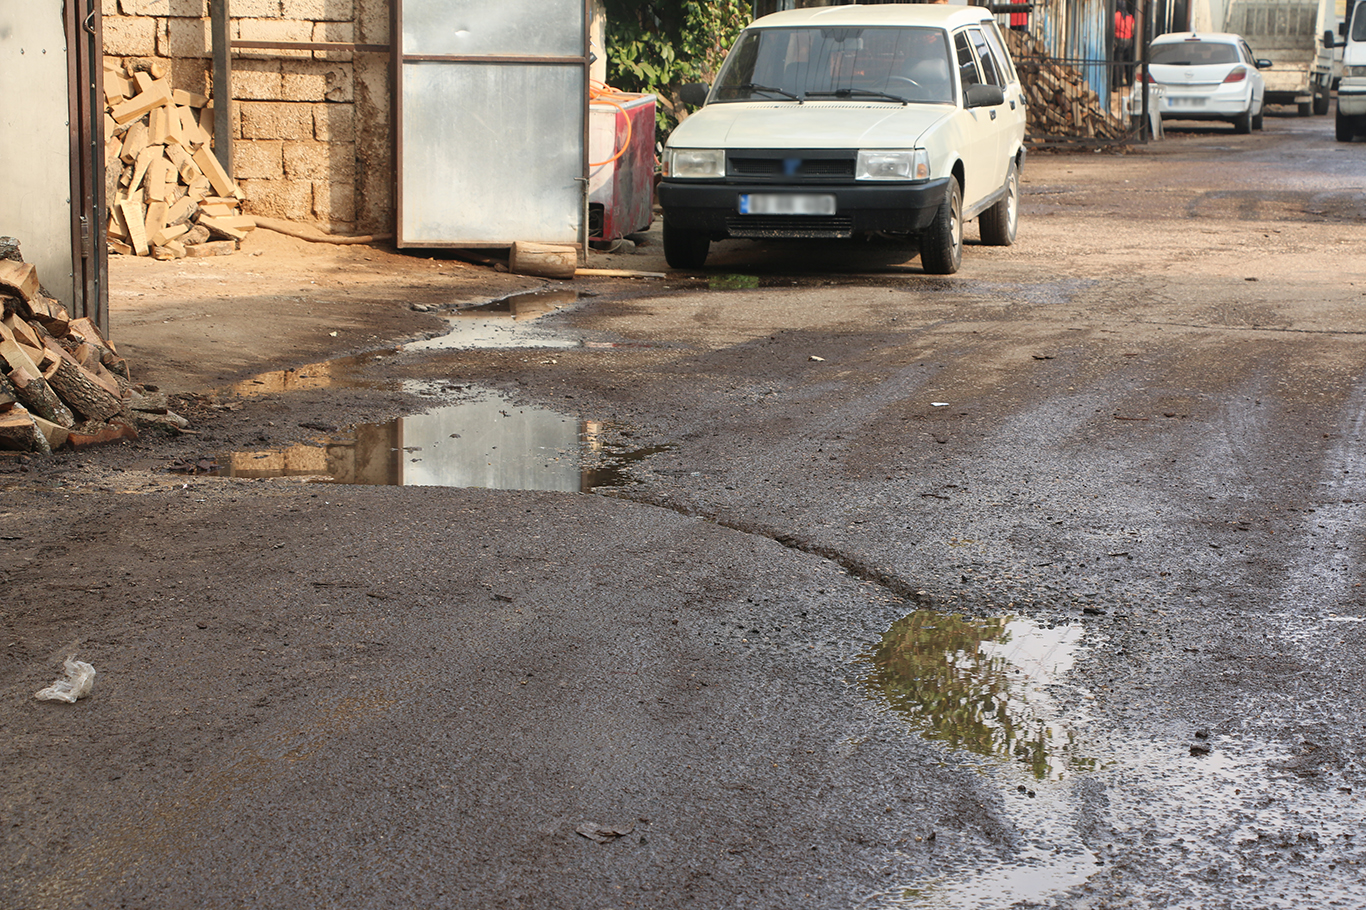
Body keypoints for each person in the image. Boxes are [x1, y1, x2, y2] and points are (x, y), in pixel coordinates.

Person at [1114, 1, 1136, 87]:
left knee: (1118, 63)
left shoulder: (1116, 16)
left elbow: (1113, 27)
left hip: (1119, 40)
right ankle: (1129, 82)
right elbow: (1133, 29)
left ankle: (1117, 84)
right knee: (1128, 62)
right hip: (1128, 40)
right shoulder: (1130, 16)